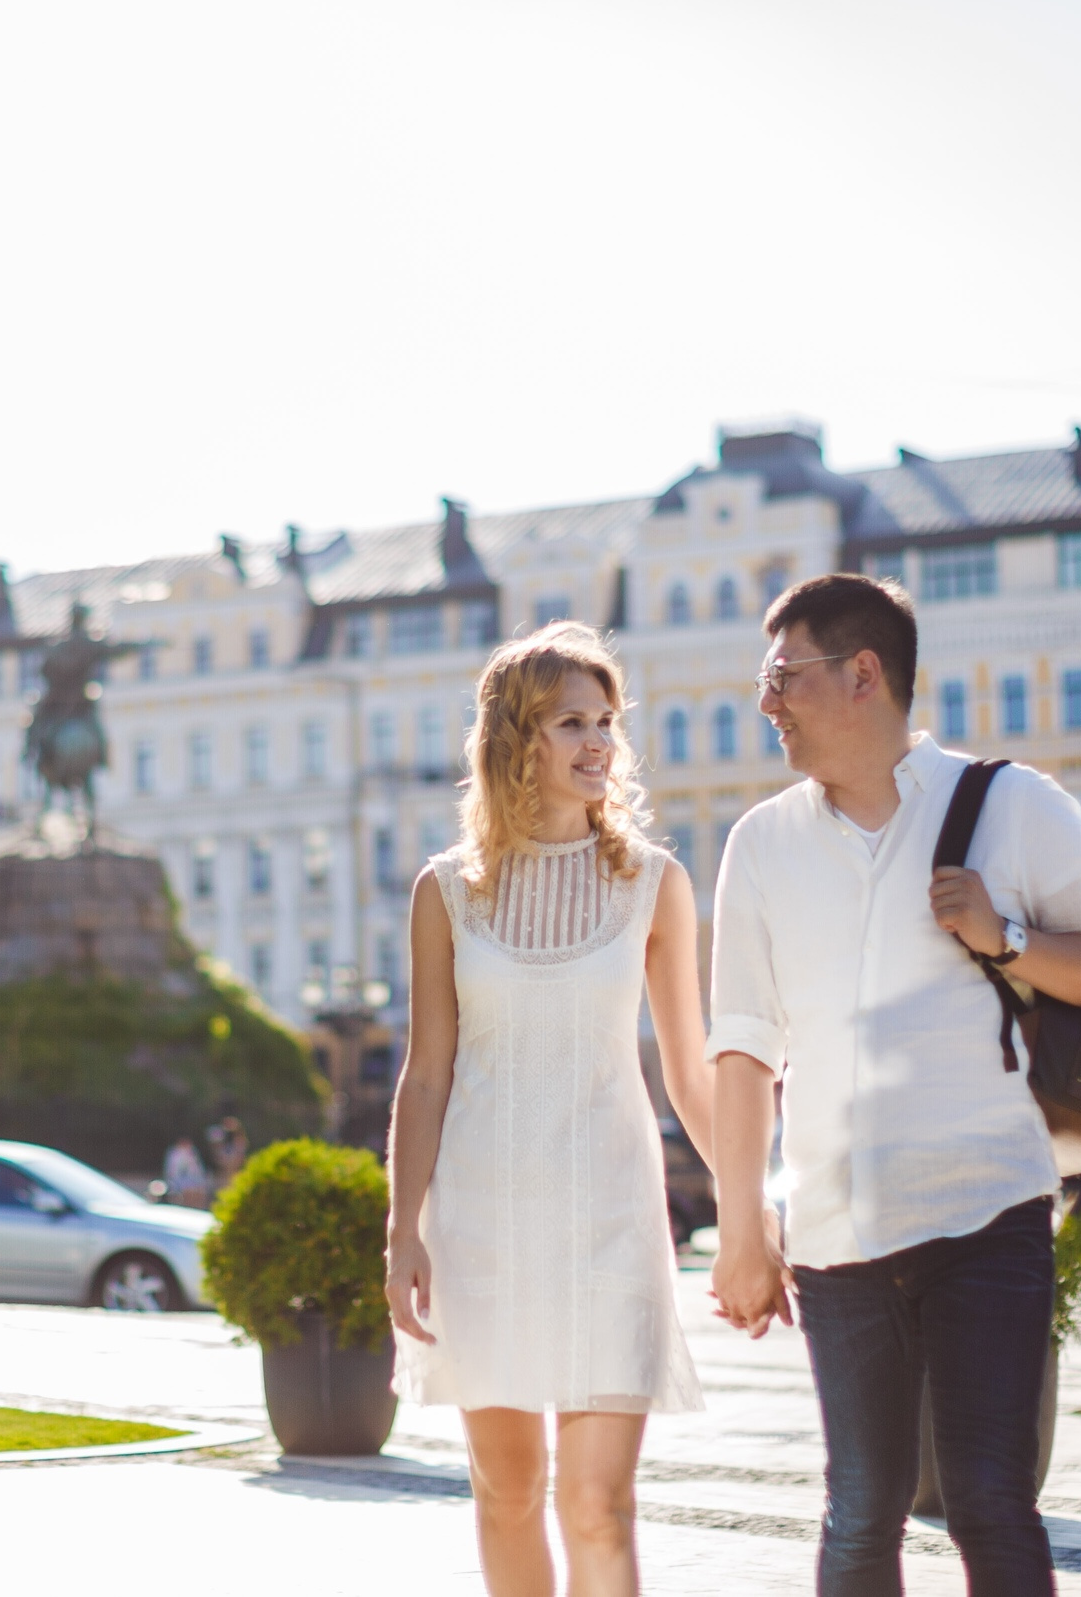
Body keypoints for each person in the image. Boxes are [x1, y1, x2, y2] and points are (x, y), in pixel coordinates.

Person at [705, 575, 1081, 1597]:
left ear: (863, 674)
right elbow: (743, 1049)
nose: (766, 702)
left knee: (989, 1499)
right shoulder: (761, 846)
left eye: (783, 676)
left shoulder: (1011, 805)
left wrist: (1007, 936)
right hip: (835, 1232)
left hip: (984, 1209)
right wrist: (741, 1230)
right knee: (861, 1510)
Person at [385, 622, 717, 1595]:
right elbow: (427, 1074)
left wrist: (746, 1207)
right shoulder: (446, 892)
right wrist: (402, 1232)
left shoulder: (653, 883)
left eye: (606, 721)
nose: (598, 742)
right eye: (572, 722)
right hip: (481, 1226)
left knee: (598, 1505)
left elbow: (690, 1071)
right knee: (507, 1490)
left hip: (610, 1218)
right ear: (515, 738)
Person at [161, 1136, 211, 1209]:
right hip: (177, 1181)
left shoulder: (192, 1152)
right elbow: (172, 1172)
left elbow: (197, 1170)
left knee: (200, 1190)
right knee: (188, 1191)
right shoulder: (174, 1153)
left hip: (194, 1179)